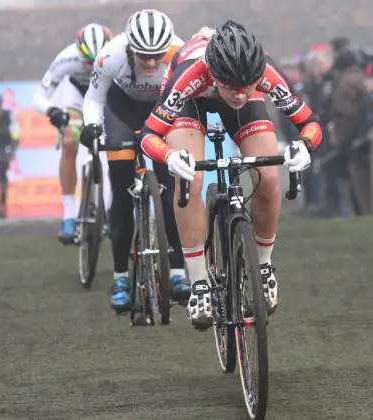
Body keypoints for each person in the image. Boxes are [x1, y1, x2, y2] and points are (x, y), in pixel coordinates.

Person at [138, 21, 322, 329]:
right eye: (232, 87)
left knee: (269, 177)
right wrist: (169, 156)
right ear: (214, 73)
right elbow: (148, 134)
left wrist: (304, 145)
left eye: (247, 87)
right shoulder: (191, 73)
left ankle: (263, 267)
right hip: (192, 103)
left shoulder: (262, 72)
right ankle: (198, 282)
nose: (239, 94)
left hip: (229, 90)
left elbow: (310, 122)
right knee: (191, 179)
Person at [77, 9, 190, 312]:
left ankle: (178, 270)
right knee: (123, 192)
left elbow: (193, 93)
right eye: (143, 56)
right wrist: (91, 125)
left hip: (162, 109)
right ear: (129, 47)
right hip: (121, 110)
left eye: (157, 55)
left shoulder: (180, 52)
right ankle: (121, 277)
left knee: (170, 191)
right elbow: (94, 99)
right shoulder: (110, 55)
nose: (151, 63)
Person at [33, 23, 113, 243]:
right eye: (87, 62)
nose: (92, 67)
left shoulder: (119, 55)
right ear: (79, 53)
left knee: (117, 147)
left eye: (97, 62)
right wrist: (53, 112)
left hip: (106, 97)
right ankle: (69, 215)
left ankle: (111, 209)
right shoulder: (67, 58)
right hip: (77, 96)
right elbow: (38, 97)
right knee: (69, 141)